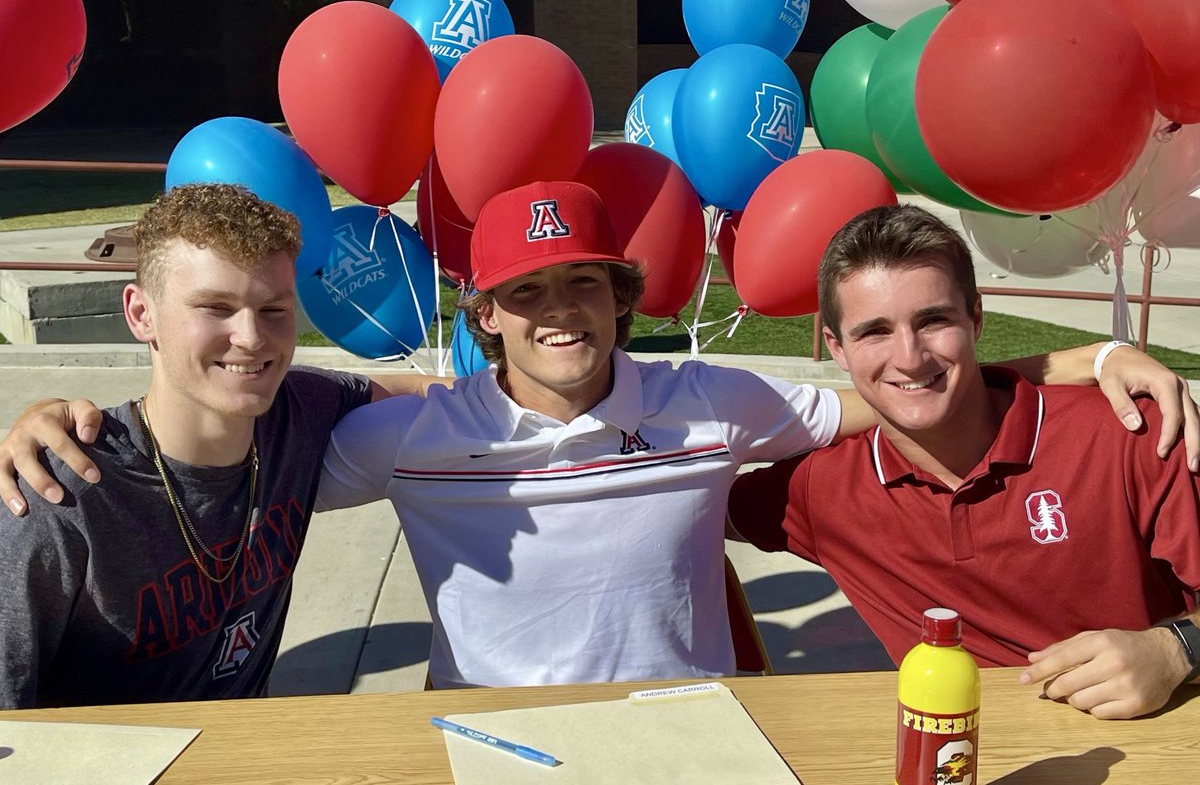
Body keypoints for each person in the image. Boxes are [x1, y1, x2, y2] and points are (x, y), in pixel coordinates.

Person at [3, 183, 1193, 693]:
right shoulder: (405, 434)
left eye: (584, 282)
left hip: (699, 740)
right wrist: (62, 417)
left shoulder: (718, 401)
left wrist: (1085, 359)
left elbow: (901, 383)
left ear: (624, 296)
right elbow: (235, 408)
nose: (558, 311)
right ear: (486, 315)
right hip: (485, 746)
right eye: (526, 292)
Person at [728, 204, 1200, 721]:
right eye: (875, 331)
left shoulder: (1130, 432)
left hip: (1151, 746)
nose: (909, 357)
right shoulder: (819, 487)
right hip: (953, 753)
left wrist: (1176, 649)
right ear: (837, 348)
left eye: (933, 321)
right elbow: (686, 506)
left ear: (975, 318)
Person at [0, 184, 436, 709]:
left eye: (273, 309)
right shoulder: (57, 494)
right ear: (141, 314)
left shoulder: (298, 408)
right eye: (215, 307)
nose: (251, 337)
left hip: (251, 742)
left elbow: (429, 391)